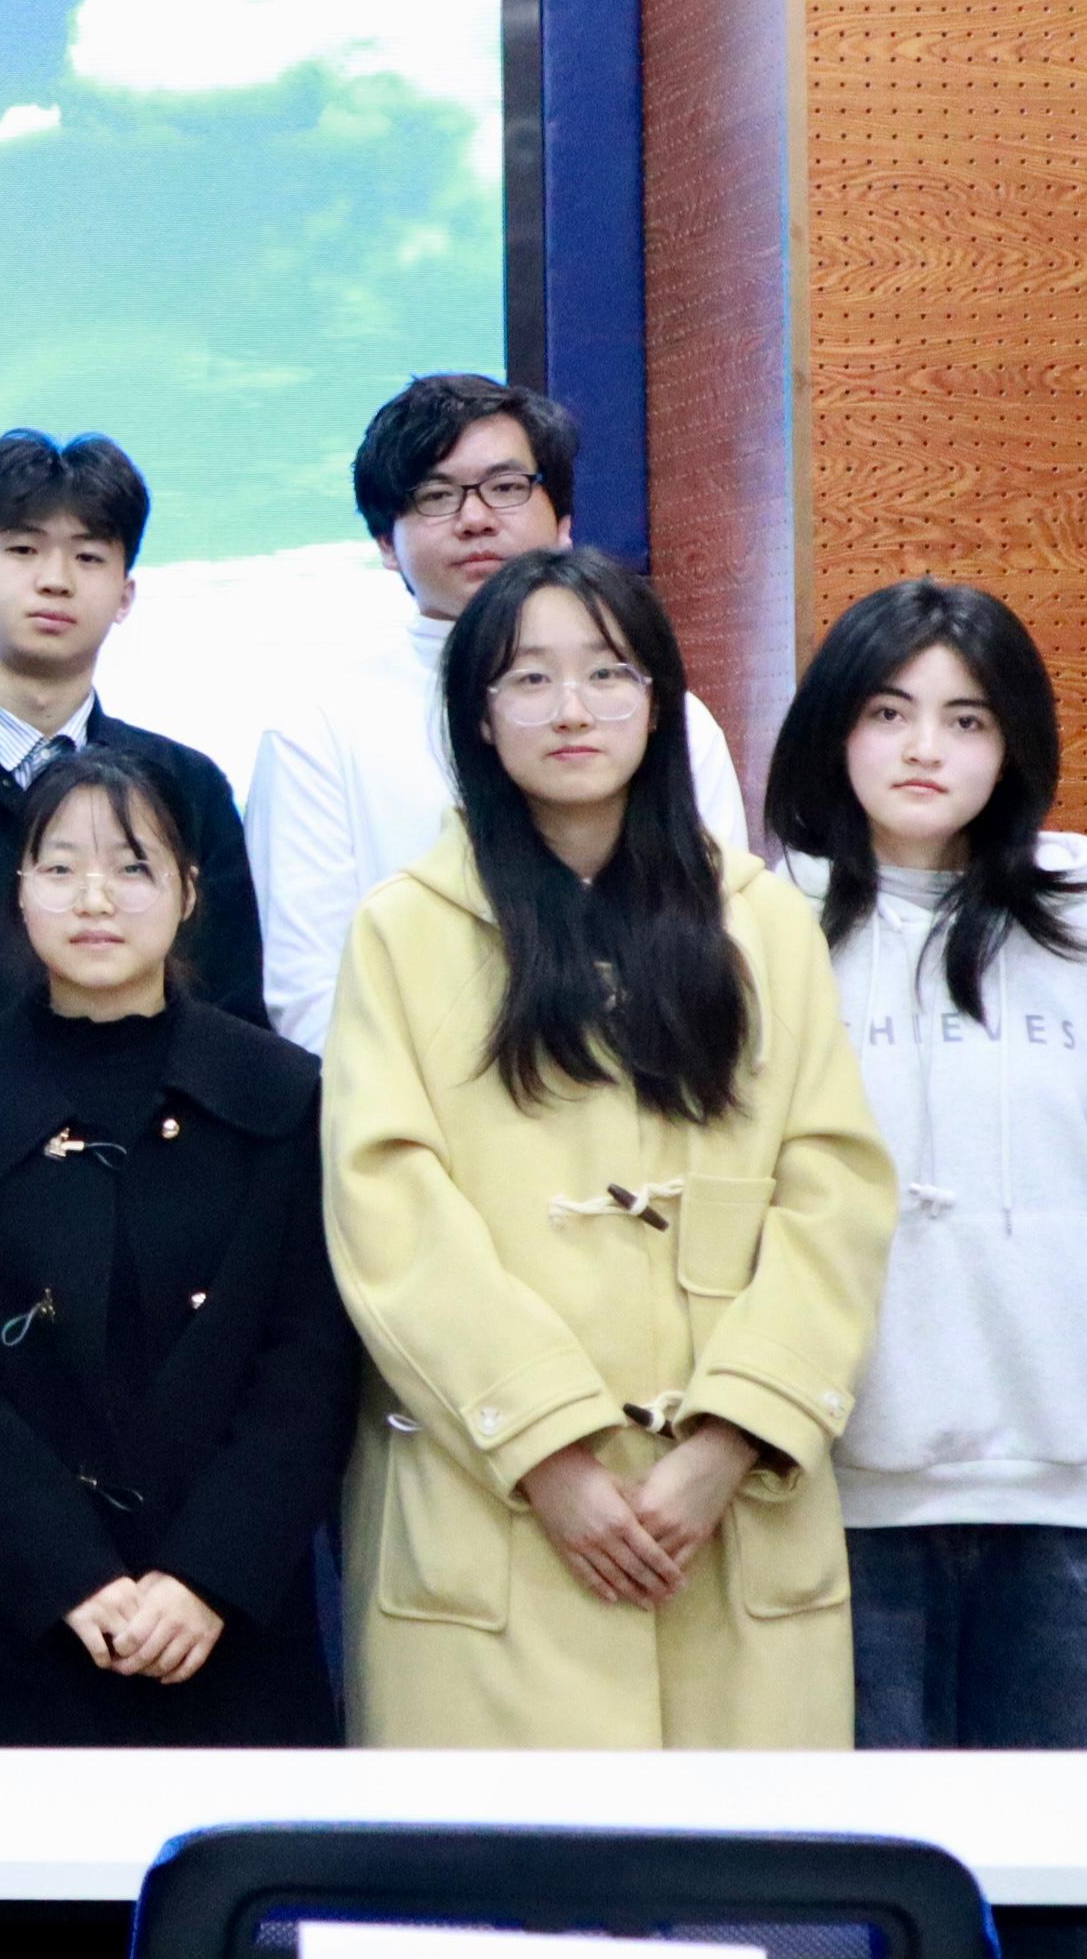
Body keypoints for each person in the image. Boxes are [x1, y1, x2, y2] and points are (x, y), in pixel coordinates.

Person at [327, 547, 895, 1748]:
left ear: (660, 702)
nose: (571, 709)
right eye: (529, 679)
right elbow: (388, 1212)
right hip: (494, 1520)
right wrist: (549, 1451)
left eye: (606, 673)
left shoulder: (761, 923)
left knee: (740, 1867)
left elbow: (835, 1196)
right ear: (479, 718)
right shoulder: (401, 932)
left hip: (727, 1519)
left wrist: (729, 1439)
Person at [0, 751, 352, 1826]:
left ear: (189, 892)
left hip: (228, 1628)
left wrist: (205, 1578)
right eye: (61, 867)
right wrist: (69, 1578)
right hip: (5, 1624)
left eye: (133, 867)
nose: (94, 898)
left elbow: (308, 1364)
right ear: (19, 890)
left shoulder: (282, 1095)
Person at [761, 580, 1087, 1769]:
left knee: (1069, 1861)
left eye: (967, 719)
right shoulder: (764, 933)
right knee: (860, 1862)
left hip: (1064, 1475)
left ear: (1013, 744)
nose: (924, 749)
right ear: (833, 729)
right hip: (835, 1487)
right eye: (887, 713)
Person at [247, 374, 748, 1053]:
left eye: (507, 487)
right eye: (436, 495)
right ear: (386, 543)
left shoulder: (661, 712)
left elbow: (724, 941)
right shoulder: (319, 728)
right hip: (416, 1105)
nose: (475, 519)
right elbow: (315, 998)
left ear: (563, 521)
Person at [0, 429, 263, 1058]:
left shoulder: (188, 787)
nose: (55, 580)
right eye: (23, 549)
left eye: (89, 556)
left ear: (126, 595)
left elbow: (231, 1014)